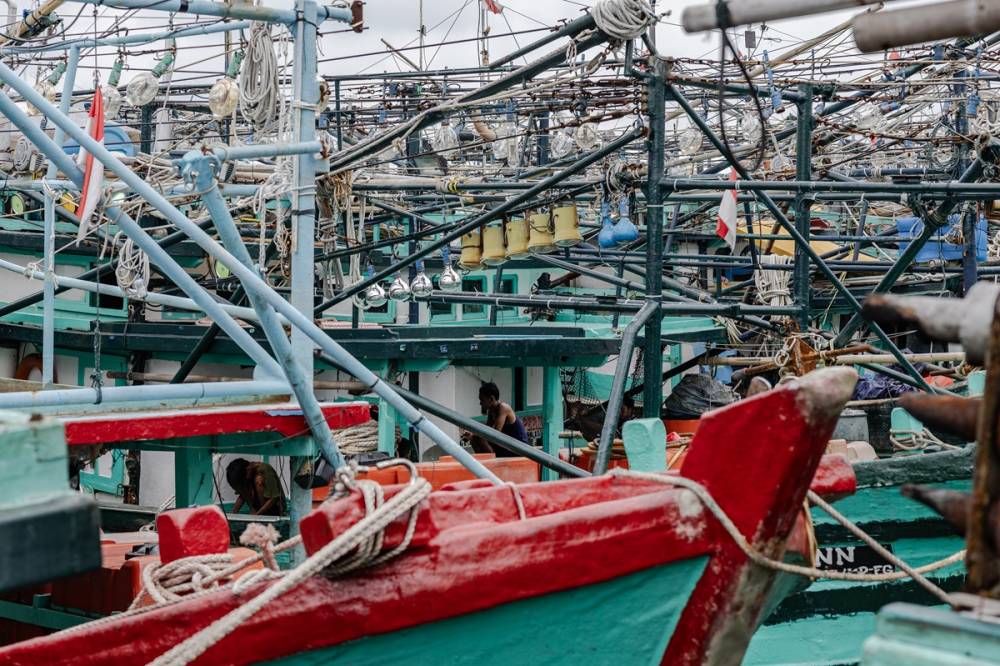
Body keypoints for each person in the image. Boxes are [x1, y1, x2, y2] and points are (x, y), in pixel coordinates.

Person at [472, 381, 528, 458]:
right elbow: (488, 430)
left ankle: (492, 462)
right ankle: (485, 461)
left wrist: (478, 433)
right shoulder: (491, 411)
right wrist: (474, 434)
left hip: (518, 449)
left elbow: (495, 434)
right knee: (474, 439)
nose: (480, 403)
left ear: (491, 399)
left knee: (480, 438)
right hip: (506, 446)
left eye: (482, 400)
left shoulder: (503, 408)